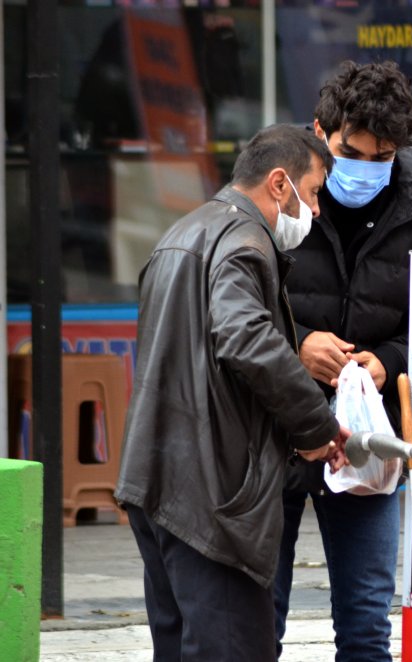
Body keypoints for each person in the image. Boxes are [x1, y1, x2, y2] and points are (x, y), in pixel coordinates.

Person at [115, 123, 351, 662]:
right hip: (210, 497)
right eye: (313, 193)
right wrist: (315, 426)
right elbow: (246, 337)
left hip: (157, 480)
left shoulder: (182, 233)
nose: (315, 211)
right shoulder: (244, 243)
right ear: (278, 184)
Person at [273, 60, 412, 660]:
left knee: (365, 624)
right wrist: (300, 342)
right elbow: (236, 310)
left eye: (382, 156)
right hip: (276, 434)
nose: (365, 168)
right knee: (257, 621)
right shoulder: (283, 203)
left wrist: (389, 361)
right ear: (319, 133)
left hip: (370, 443)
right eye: (351, 153)